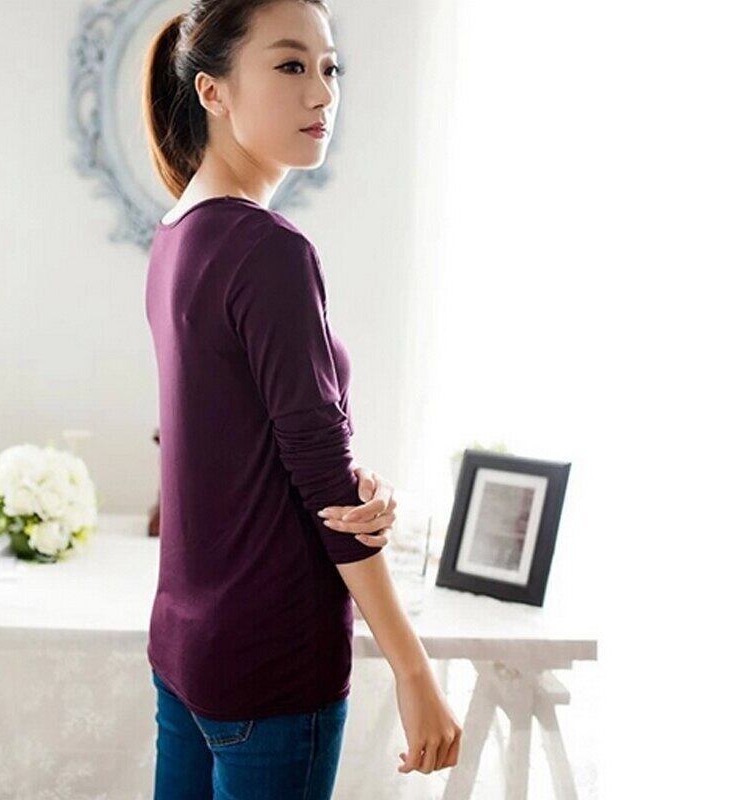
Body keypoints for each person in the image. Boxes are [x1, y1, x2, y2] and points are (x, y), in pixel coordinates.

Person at [141, 1, 462, 797]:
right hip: (271, 661)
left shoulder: (178, 234)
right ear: (213, 91)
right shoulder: (265, 248)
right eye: (290, 65)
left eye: (329, 68)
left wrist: (353, 477)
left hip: (186, 648)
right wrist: (414, 671)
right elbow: (317, 472)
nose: (321, 93)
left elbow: (243, 440)